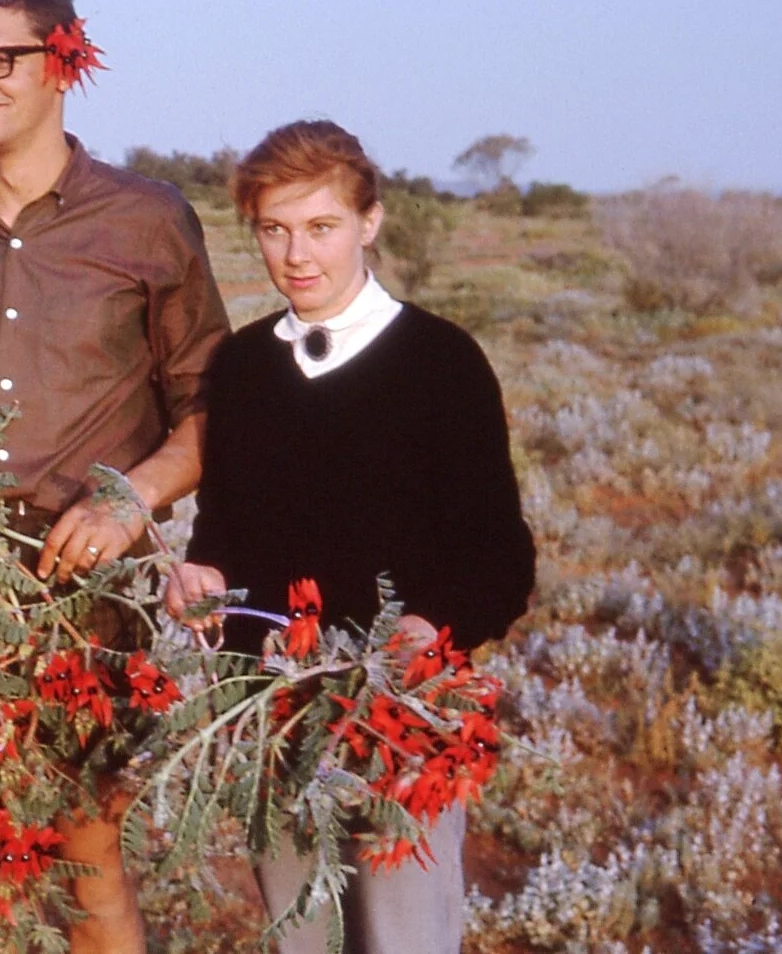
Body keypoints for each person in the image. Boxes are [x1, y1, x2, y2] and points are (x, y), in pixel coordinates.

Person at [0, 0, 230, 954]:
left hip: (95, 594)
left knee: (86, 859)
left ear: (63, 62)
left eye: (0, 58)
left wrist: (131, 496)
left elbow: (213, 404)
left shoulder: (146, 221)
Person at [164, 119, 536, 954]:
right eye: (274, 229)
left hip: (401, 715)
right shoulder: (245, 366)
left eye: (321, 227)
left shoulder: (441, 362)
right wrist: (201, 583)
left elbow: (498, 558)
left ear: (368, 223)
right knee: (302, 938)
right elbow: (225, 529)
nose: (297, 254)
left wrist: (422, 632)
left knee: (402, 936)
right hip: (276, 708)